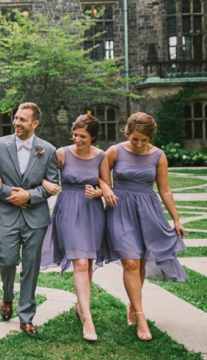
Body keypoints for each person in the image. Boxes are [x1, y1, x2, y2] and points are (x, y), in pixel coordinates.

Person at [100, 112, 187, 341]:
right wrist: (107, 189)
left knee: (140, 262)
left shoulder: (159, 156)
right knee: (130, 261)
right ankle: (140, 316)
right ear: (127, 133)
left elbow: (165, 189)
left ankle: (132, 303)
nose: (138, 144)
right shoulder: (115, 151)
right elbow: (100, 177)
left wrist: (176, 219)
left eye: (143, 140)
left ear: (151, 138)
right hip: (120, 210)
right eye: (134, 138)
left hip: (147, 211)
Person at [0, 102, 58, 337]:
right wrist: (8, 193)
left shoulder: (48, 150)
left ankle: (26, 316)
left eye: (22, 120)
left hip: (36, 218)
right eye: (16, 118)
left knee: (31, 267)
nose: (16, 123)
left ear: (35, 123)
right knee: (7, 260)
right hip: (8, 215)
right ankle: (7, 297)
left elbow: (53, 184)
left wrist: (31, 196)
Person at [39, 114, 108, 342]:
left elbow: (106, 184)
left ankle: (82, 306)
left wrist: (98, 192)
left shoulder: (101, 156)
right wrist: (46, 182)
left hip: (92, 211)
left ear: (93, 137)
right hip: (68, 209)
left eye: (83, 136)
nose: (77, 139)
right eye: (75, 135)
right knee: (79, 262)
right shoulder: (62, 153)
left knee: (87, 262)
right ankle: (87, 319)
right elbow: (40, 174)